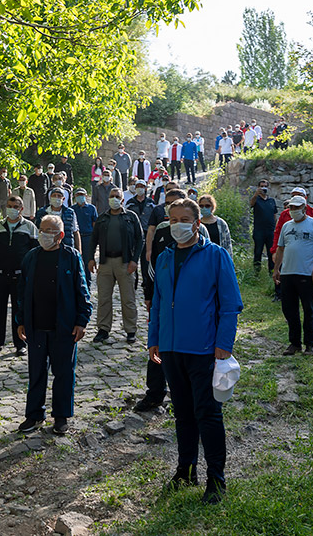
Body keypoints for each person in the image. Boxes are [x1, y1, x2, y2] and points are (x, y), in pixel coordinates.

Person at [148, 198, 242, 505]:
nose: (178, 225)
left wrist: (223, 347)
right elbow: (158, 303)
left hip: (204, 348)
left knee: (208, 414)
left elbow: (230, 305)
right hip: (171, 348)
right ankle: (185, 468)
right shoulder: (163, 258)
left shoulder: (215, 256)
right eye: (173, 220)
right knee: (183, 413)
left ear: (197, 223)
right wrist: (154, 339)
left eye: (184, 219)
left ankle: (217, 478)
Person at [16, 215, 93, 435]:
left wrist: (81, 321)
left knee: (64, 373)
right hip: (37, 326)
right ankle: (34, 414)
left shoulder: (71, 256)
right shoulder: (31, 257)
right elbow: (21, 291)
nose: (43, 233)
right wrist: (20, 321)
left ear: (60, 235)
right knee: (36, 373)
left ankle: (61, 416)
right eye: (41, 229)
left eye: (49, 230)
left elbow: (82, 290)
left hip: (64, 326)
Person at [134, 187, 185, 412]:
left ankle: (183, 395)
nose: (171, 207)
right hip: (163, 301)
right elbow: (152, 266)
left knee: (185, 349)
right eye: (168, 204)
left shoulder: (198, 230)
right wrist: (149, 294)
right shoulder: (162, 231)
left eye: (176, 203)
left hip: (188, 303)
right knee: (158, 346)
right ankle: (155, 393)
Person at [0, 196, 39, 357]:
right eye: (9, 206)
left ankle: (20, 343)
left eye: (15, 206)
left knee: (19, 310)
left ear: (21, 209)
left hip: (20, 276)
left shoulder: (29, 227)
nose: (12, 209)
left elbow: (35, 252)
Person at [88, 187, 144, 344]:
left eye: (117, 196)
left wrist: (134, 260)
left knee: (128, 299)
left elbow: (140, 239)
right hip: (105, 263)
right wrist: (91, 258)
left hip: (125, 262)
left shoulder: (131, 217)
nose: (114, 199)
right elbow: (93, 240)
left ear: (122, 199)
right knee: (104, 298)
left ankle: (131, 330)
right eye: (111, 196)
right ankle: (103, 329)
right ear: (108, 200)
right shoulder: (102, 218)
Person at [273, 196, 313, 356]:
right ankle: (294, 343)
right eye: (291, 208)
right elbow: (280, 248)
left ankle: (310, 344)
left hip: (306, 273)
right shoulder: (286, 226)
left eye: (297, 208)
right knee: (289, 310)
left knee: (309, 309)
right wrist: (276, 269)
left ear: (304, 207)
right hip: (288, 274)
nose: (294, 211)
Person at [270, 186, 313, 261]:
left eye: (299, 195)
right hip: (289, 252)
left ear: (305, 198)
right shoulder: (285, 214)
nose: (296, 197)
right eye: (293, 196)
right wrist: (275, 250)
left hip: (310, 252)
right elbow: (278, 233)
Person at [249, 179, 279, 300]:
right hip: (259, 231)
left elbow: (274, 216)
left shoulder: (272, 201)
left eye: (265, 186)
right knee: (258, 252)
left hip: (270, 231)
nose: (264, 188)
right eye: (262, 186)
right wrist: (256, 194)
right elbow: (250, 204)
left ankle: (272, 272)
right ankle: (256, 273)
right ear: (258, 187)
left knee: (272, 253)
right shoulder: (257, 200)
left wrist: (275, 228)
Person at [72, 187, 98, 287]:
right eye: (78, 195)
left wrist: (96, 238)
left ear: (86, 196)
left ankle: (87, 283)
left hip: (88, 237)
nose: (80, 197)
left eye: (82, 195)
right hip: (76, 237)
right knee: (77, 260)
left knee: (88, 261)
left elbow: (95, 224)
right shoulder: (72, 209)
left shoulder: (91, 208)